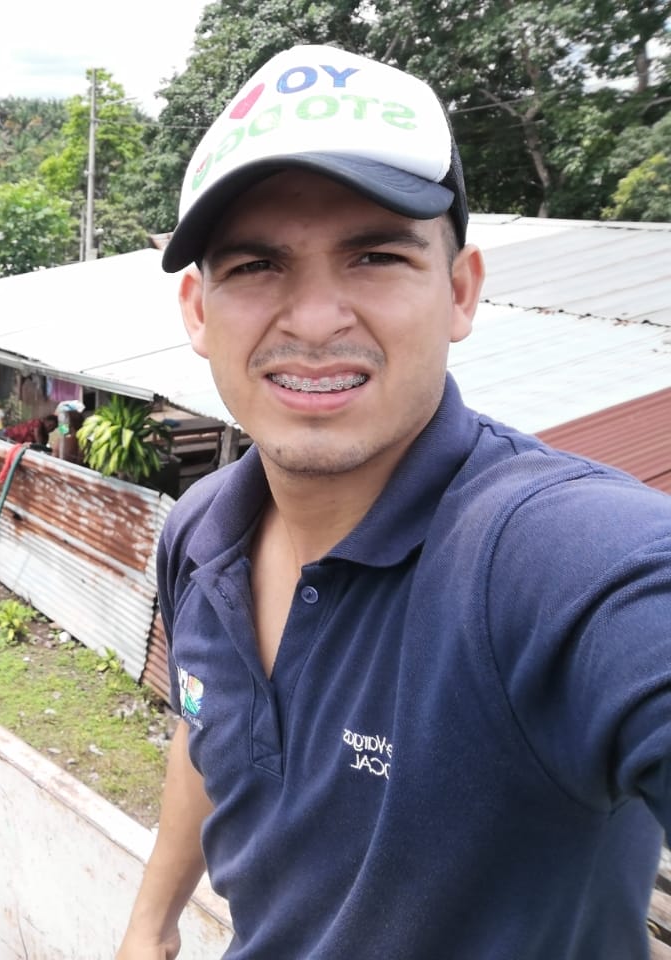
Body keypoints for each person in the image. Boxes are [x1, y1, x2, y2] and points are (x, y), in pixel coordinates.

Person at [118, 44, 671, 960]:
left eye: (374, 255)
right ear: (198, 311)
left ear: (460, 291)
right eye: (256, 265)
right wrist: (150, 924)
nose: (314, 320)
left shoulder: (560, 560)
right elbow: (203, 725)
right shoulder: (200, 532)